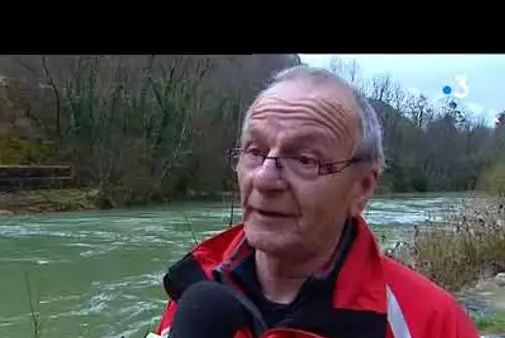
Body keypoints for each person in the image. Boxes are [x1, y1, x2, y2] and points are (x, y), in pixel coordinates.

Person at [152, 65, 480, 338]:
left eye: (306, 160)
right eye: (255, 151)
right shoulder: (196, 293)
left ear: (361, 188)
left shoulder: (429, 323)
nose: (264, 179)